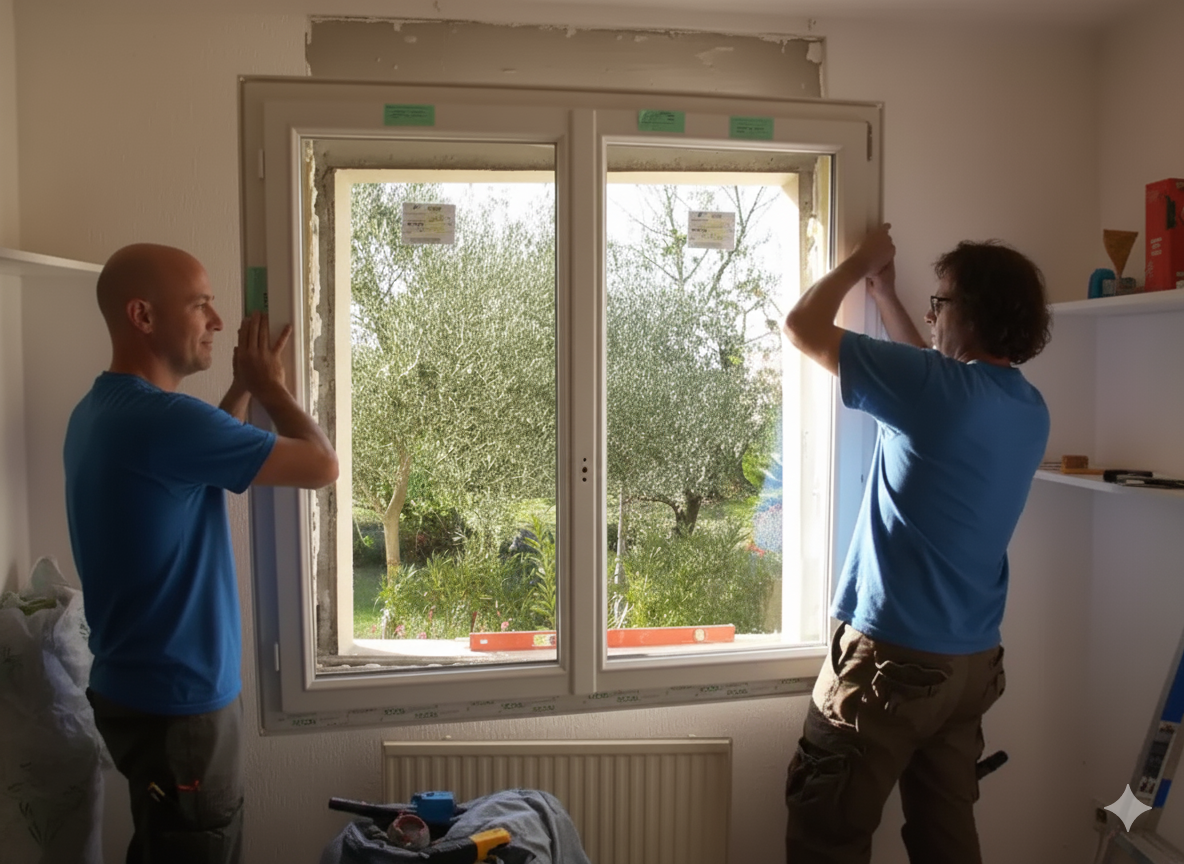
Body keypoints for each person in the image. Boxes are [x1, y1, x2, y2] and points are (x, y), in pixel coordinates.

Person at [781, 224, 1051, 864]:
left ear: (975, 314)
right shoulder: (1027, 407)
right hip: (968, 668)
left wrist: (859, 263)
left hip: (890, 667)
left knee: (826, 831)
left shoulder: (932, 391)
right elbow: (930, 373)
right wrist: (889, 297)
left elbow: (802, 325)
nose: (931, 314)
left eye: (941, 302)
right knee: (946, 839)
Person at [64, 243, 338, 864]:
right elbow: (322, 464)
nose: (217, 321)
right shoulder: (164, 422)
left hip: (136, 692)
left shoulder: (101, 411)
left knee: (164, 844)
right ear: (143, 316)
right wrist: (271, 389)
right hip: (178, 706)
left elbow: (201, 462)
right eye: (200, 304)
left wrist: (241, 387)